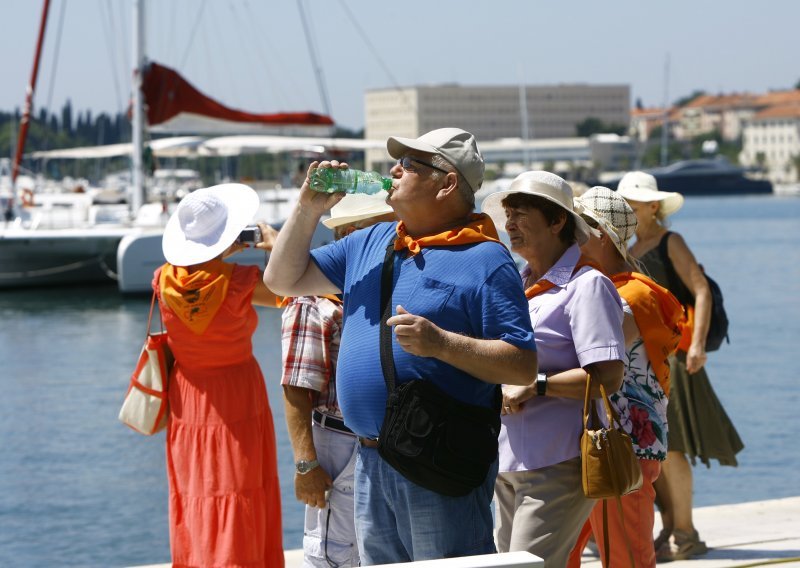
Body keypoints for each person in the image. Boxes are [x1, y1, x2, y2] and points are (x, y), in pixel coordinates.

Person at [265, 127, 538, 564]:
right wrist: (307, 208)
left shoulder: (487, 259)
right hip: (371, 457)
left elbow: (522, 366)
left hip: (440, 461)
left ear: (446, 183)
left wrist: (443, 344)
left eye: (411, 164)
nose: (394, 170)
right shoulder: (373, 241)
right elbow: (282, 279)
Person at [481, 171, 626, 567]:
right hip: (507, 460)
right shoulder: (518, 283)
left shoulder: (587, 285)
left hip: (557, 461)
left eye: (520, 213)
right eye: (507, 214)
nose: (508, 224)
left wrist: (536, 384)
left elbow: (609, 377)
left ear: (558, 221)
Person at [155, 183, 284, 568]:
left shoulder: (162, 280)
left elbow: (199, 278)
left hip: (189, 394)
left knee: (198, 490)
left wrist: (219, 251)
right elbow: (291, 289)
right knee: (242, 487)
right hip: (237, 394)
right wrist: (274, 243)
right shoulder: (240, 283)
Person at [617, 171, 744, 561]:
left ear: (653, 206)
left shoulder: (671, 241)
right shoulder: (633, 246)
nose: (629, 211)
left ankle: (685, 532)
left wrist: (699, 345)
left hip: (678, 356)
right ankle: (671, 528)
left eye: (634, 204)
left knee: (675, 447)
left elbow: (700, 289)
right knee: (659, 448)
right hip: (651, 360)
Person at [566, 186, 684, 568]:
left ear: (598, 234)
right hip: (597, 442)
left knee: (626, 559)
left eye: (573, 227)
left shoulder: (634, 294)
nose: (565, 235)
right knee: (565, 553)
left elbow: (600, 352)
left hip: (623, 446)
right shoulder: (594, 286)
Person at [281, 192, 395, 568]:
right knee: (335, 553)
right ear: (349, 234)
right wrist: (305, 465)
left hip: (377, 441)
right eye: (377, 228)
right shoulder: (312, 299)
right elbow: (296, 387)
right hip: (336, 443)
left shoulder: (371, 292)